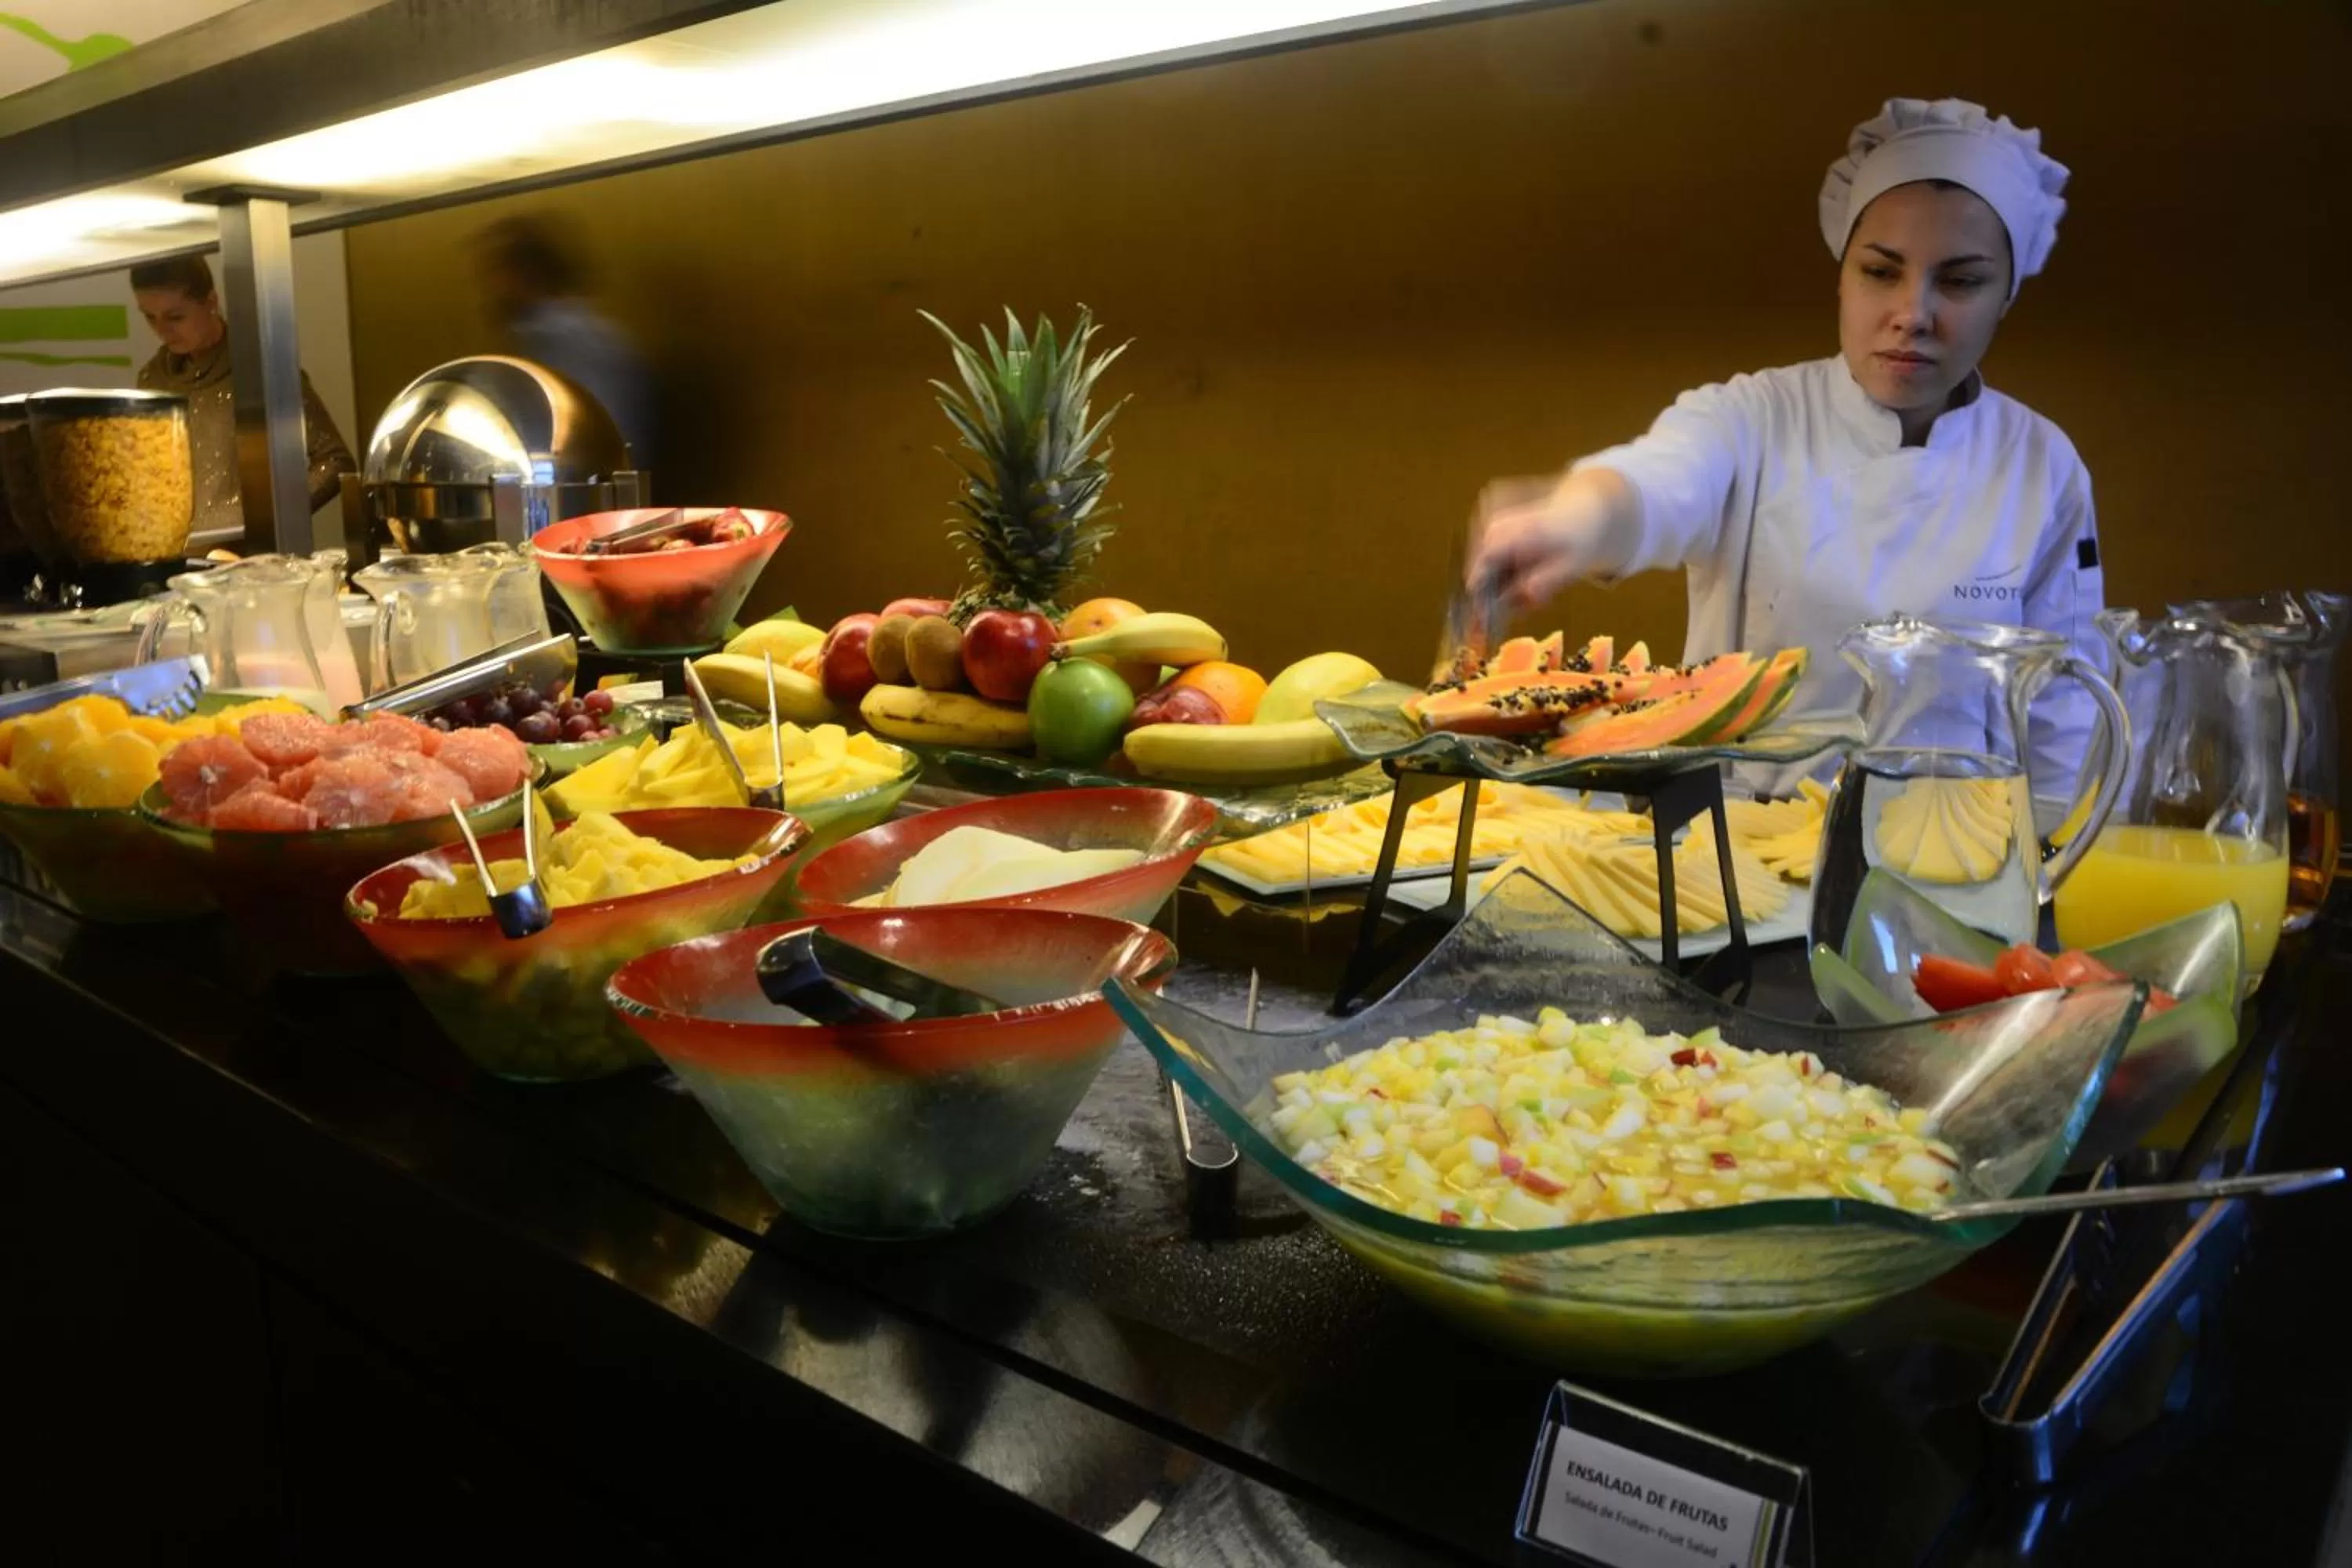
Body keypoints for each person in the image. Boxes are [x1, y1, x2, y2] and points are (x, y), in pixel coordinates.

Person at [1465, 98, 2100, 786]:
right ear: (1842, 275)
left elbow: (2066, 709)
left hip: (1957, 845)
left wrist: (2059, 846)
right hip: (1739, 844)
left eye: (1962, 281)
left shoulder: (2043, 464)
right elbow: (1661, 479)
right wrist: (1574, 519)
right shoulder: (1755, 417)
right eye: (1880, 271)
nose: (1913, 314)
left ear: (2007, 295)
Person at [131, 255, 355, 544]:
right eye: (150, 317)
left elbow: (335, 461)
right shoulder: (152, 379)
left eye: (175, 317)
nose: (162, 330)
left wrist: (267, 518)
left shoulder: (260, 369)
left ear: (211, 302)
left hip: (256, 556)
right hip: (178, 554)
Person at [474, 215, 655, 471]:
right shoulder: (546, 342)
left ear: (527, 272)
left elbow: (593, 450)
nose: (491, 288)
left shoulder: (573, 346)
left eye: (497, 272)